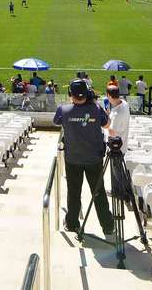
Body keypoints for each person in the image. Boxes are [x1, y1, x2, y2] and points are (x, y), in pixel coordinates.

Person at [53, 78, 115, 235]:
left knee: (74, 193)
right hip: (94, 159)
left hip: (73, 159)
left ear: (70, 94)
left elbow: (56, 121)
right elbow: (107, 125)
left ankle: (72, 223)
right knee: (99, 193)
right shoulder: (96, 108)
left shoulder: (63, 110)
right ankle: (107, 225)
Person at [106, 85, 130, 150]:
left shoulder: (116, 115)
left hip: (115, 148)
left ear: (108, 95)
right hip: (122, 145)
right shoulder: (125, 103)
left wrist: (104, 122)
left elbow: (112, 132)